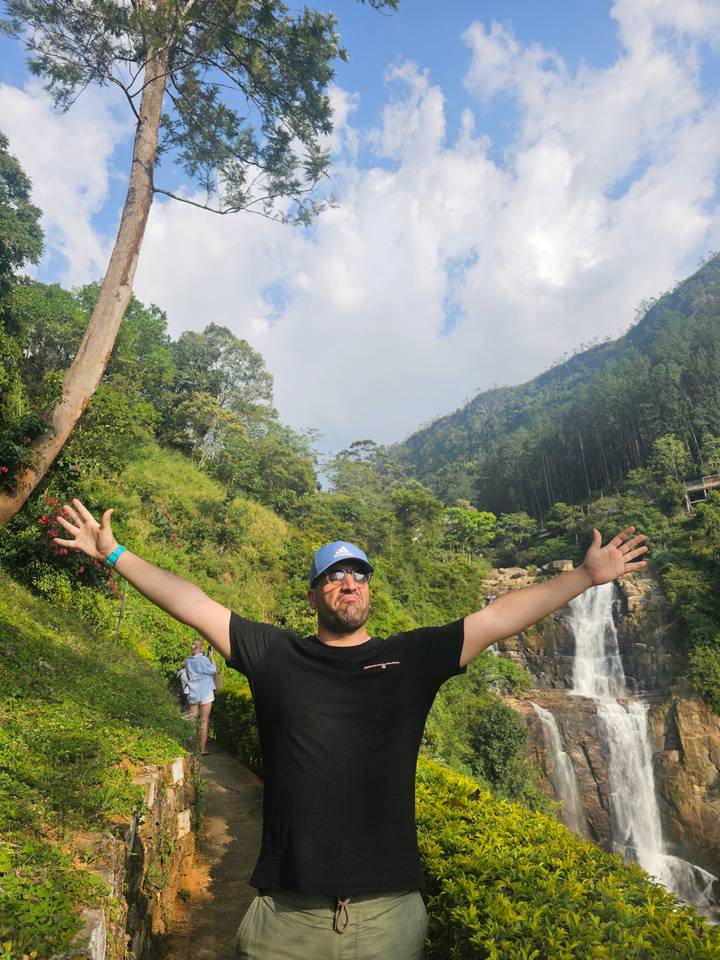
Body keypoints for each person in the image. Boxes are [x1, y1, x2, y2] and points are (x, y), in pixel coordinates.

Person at [52, 499, 647, 960]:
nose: (349, 583)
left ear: (369, 589)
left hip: (388, 916)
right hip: (286, 916)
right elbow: (193, 601)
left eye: (358, 575)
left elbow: (496, 618)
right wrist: (114, 554)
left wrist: (584, 577)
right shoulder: (273, 652)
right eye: (335, 576)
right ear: (314, 594)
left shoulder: (411, 658)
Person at [184, 637, 217, 755]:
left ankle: (192, 749)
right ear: (201, 648)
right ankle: (202, 749)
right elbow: (213, 670)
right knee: (204, 721)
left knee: (192, 720)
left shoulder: (187, 661)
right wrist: (211, 656)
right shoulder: (204, 659)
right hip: (206, 693)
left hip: (193, 692)